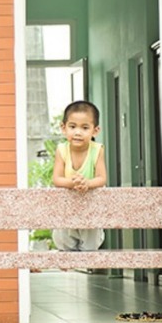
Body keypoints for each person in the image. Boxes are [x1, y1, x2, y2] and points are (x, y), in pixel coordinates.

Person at [51, 100, 108, 251]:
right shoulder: (62, 150)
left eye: (84, 128)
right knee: (63, 241)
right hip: (68, 207)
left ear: (95, 131)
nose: (77, 132)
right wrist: (74, 183)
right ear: (63, 128)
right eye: (72, 126)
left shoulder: (97, 150)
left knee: (90, 246)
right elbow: (56, 179)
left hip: (90, 206)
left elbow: (102, 178)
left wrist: (87, 183)